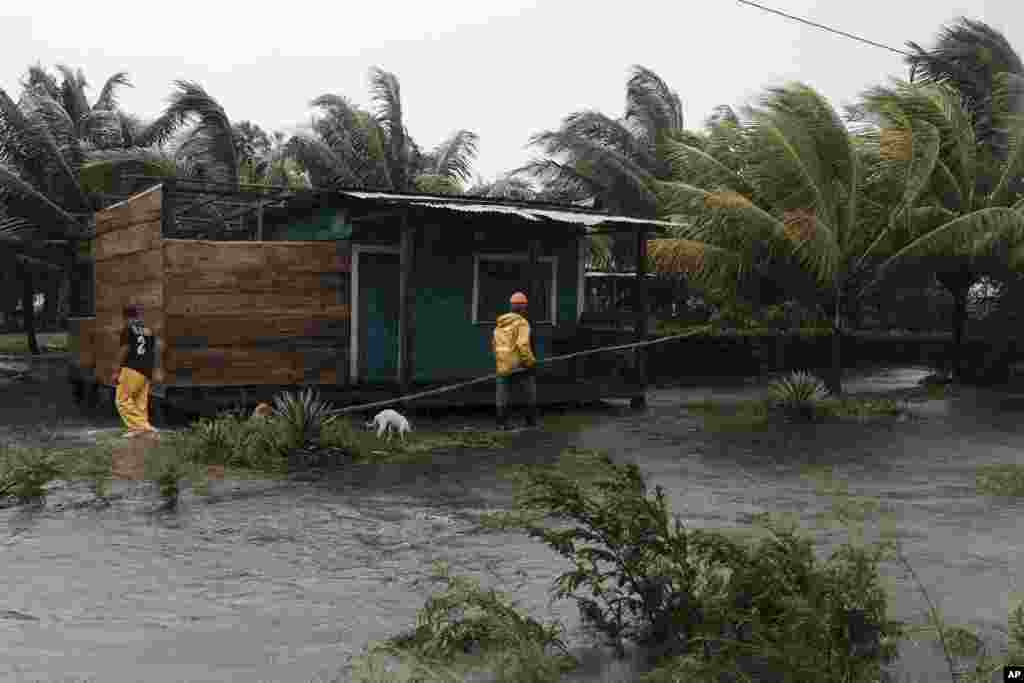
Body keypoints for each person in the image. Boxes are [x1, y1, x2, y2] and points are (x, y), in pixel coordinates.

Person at [110, 303, 162, 436]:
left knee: (122, 400)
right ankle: (141, 428)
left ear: (124, 316)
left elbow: (124, 350)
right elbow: (155, 350)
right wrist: (156, 370)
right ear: (138, 315)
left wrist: (116, 370)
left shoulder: (127, 328)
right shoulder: (148, 330)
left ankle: (140, 427)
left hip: (131, 368)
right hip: (146, 370)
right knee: (140, 401)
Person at [492, 291, 538, 430]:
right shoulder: (522, 323)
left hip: (503, 363)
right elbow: (522, 344)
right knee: (529, 390)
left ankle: (501, 423)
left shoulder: (501, 323)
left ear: (511, 306)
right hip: (519, 364)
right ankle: (530, 421)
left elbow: (494, 344)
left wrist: (500, 361)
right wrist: (530, 362)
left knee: (502, 392)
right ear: (524, 307)